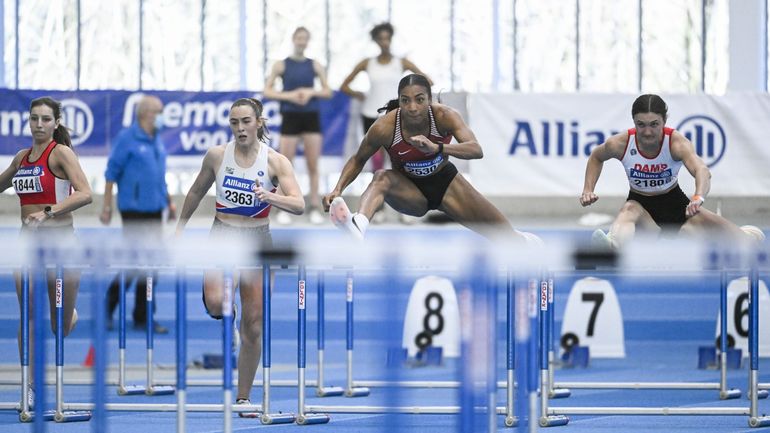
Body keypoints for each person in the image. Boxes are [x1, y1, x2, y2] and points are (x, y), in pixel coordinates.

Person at [175, 97, 305, 415]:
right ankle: (226, 316)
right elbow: (195, 191)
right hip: (222, 234)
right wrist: (179, 228)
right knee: (217, 302)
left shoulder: (275, 162)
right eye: (234, 123)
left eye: (246, 121)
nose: (240, 128)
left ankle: (243, 396)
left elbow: (299, 204)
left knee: (255, 325)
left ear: (258, 122)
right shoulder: (218, 155)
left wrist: (270, 196)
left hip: (258, 240)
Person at [323, 73, 528, 243]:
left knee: (508, 238)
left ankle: (528, 245)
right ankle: (359, 224)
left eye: (419, 99)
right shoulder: (384, 127)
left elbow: (476, 149)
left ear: (429, 100)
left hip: (447, 185)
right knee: (381, 177)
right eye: (406, 101)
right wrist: (337, 189)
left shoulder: (445, 116)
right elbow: (358, 159)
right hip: (409, 190)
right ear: (400, 101)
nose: (412, 107)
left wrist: (437, 148)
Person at [0, 96, 93, 408]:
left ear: (56, 123)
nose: (39, 125)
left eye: (45, 119)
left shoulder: (61, 154)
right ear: (28, 121)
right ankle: (30, 386)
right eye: (34, 119)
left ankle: (70, 316)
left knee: (58, 325)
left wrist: (48, 213)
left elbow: (85, 193)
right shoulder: (21, 158)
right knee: (29, 315)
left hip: (62, 243)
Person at [580, 93, 764, 248]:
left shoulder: (676, 143)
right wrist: (588, 189)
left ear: (664, 121)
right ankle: (613, 246)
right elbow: (596, 156)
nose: (647, 132)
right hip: (642, 207)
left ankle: (743, 234)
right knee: (629, 209)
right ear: (633, 122)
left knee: (749, 241)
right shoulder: (619, 144)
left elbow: (702, 170)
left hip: (678, 208)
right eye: (641, 124)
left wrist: (698, 197)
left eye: (654, 124)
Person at [101, 95, 175, 334]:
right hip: (133, 211)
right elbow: (111, 173)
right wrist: (106, 206)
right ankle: (108, 308)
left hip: (155, 210)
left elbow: (158, 174)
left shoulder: (156, 140)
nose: (163, 115)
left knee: (152, 265)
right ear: (146, 113)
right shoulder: (127, 139)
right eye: (160, 110)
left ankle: (143, 316)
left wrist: (169, 202)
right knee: (134, 264)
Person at [340, 22, 431, 173]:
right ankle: (378, 187)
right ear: (376, 41)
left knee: (398, 151)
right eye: (381, 39)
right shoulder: (367, 63)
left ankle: (400, 187)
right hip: (371, 113)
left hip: (396, 112)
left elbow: (428, 81)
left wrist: (413, 95)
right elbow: (344, 86)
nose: (385, 42)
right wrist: (358, 94)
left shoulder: (401, 62)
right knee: (375, 154)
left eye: (387, 38)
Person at [264, 26, 332, 225]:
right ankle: (285, 207)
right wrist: (290, 96)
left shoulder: (315, 65)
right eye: (299, 38)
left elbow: (327, 91)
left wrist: (311, 92)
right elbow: (267, 91)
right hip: (290, 116)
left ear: (307, 41)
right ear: (293, 39)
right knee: (285, 164)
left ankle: (313, 207)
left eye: (305, 38)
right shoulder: (281, 65)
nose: (301, 42)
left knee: (313, 165)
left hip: (310, 116)